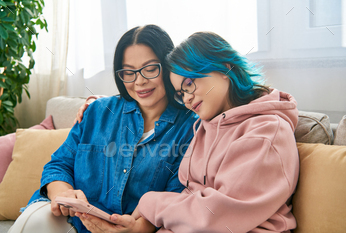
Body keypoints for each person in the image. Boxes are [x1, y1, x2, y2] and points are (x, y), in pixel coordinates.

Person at [77, 32, 300, 233]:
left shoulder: (266, 133)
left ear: (225, 68)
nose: (187, 98)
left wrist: (149, 203)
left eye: (190, 84)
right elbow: (188, 195)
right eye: (180, 92)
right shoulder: (206, 125)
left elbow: (214, 216)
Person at [8, 25, 198, 233]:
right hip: (66, 221)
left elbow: (177, 198)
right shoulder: (97, 111)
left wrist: (139, 228)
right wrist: (63, 193)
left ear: (168, 66)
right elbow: (59, 163)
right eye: (128, 72)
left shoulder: (190, 129)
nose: (140, 81)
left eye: (150, 69)